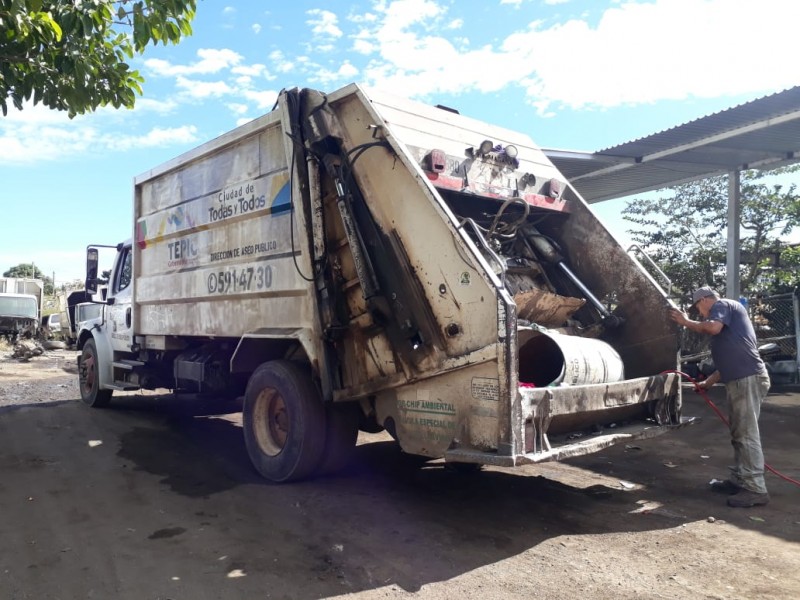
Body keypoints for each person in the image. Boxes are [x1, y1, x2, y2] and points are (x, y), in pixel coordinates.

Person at [669, 286, 771, 508]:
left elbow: (713, 328)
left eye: (697, 307)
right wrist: (708, 382)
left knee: (746, 434)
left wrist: (686, 322)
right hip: (742, 378)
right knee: (739, 433)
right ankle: (740, 480)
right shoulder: (730, 319)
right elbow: (731, 359)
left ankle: (755, 489)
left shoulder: (723, 305)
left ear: (704, 300)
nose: (699, 313)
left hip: (747, 379)